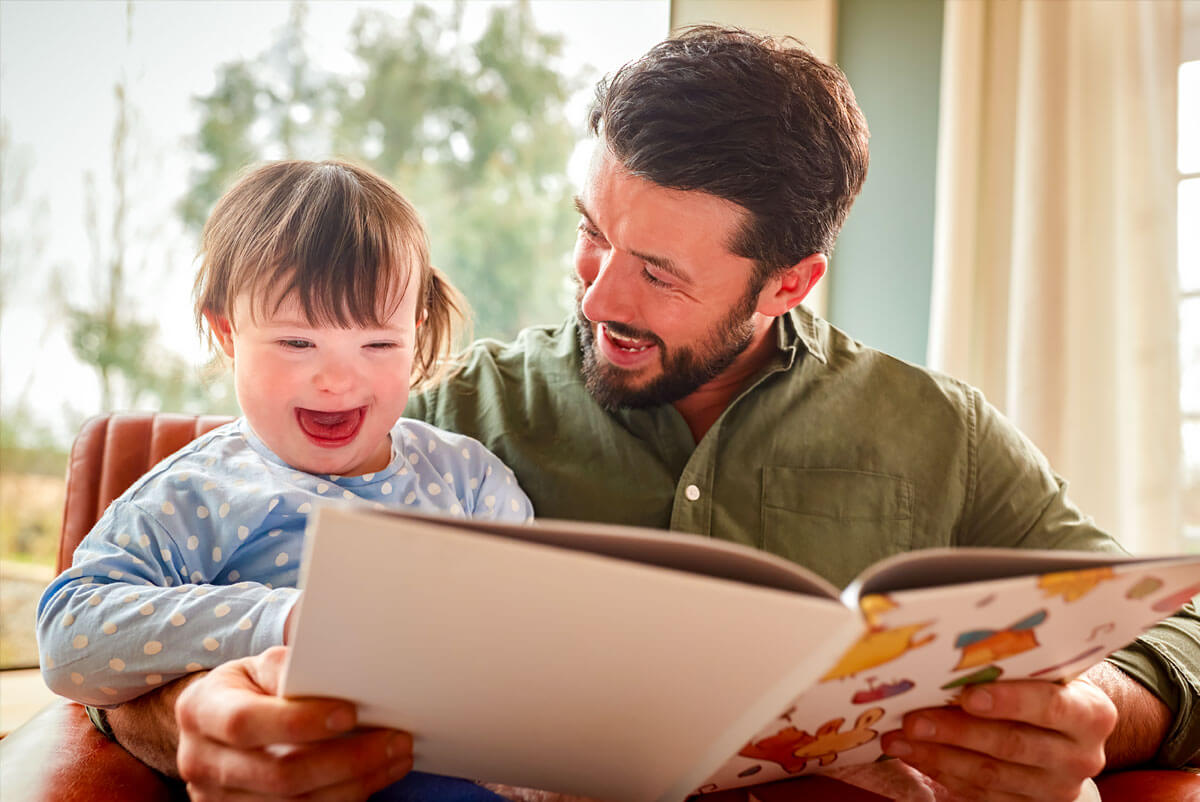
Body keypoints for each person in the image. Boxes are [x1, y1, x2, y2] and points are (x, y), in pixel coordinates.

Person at [101, 28, 1198, 802]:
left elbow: (1175, 625)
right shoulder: (438, 422)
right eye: (592, 231)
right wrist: (199, 712)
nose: (597, 296)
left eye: (659, 275)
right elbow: (150, 630)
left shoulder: (942, 433)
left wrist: (1100, 706)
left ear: (789, 283)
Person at [36, 159, 533, 800]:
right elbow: (71, 634)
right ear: (227, 333)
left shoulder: (467, 477)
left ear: (414, 336)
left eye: (377, 346)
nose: (336, 380)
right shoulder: (194, 493)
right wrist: (289, 619)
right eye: (297, 343)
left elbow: (526, 627)